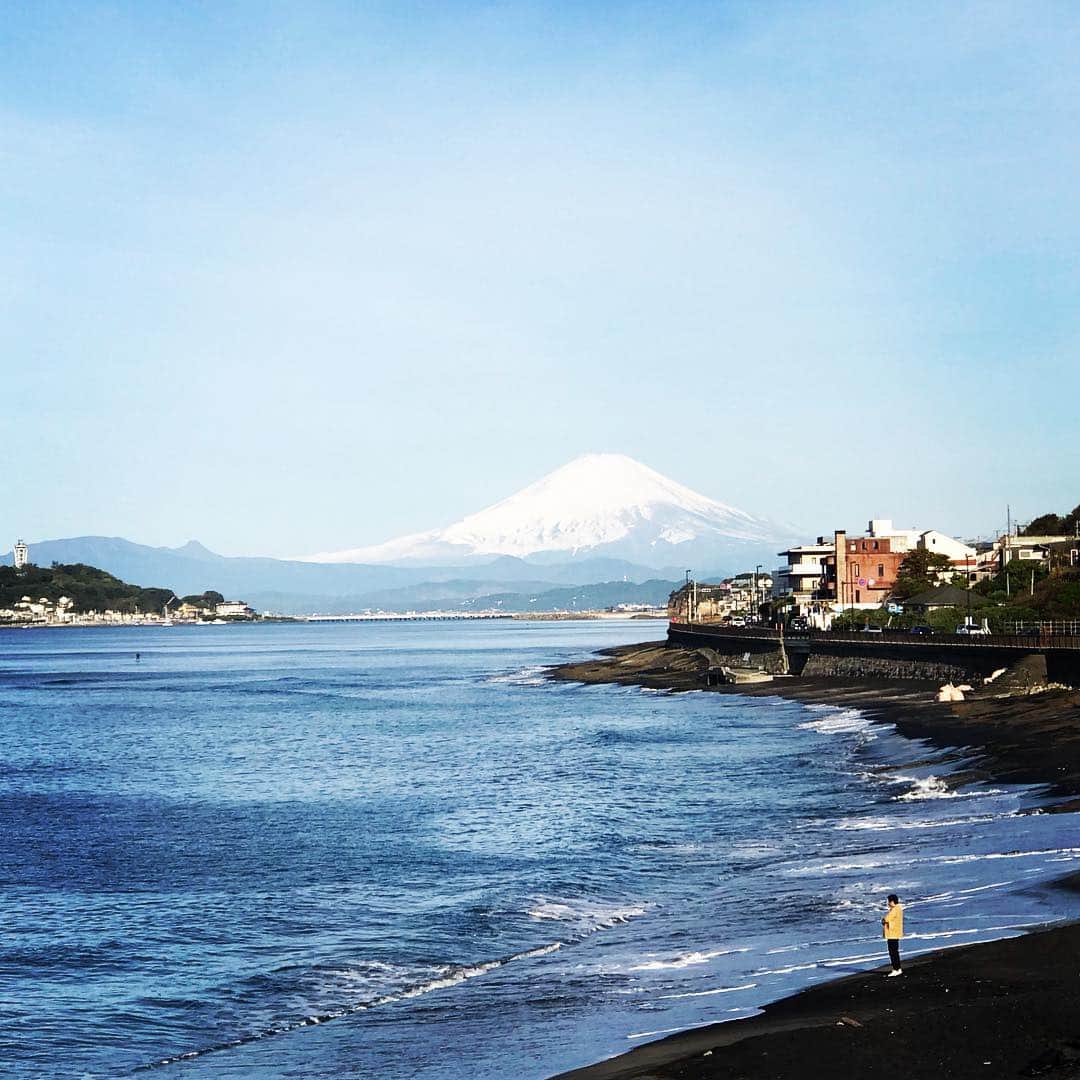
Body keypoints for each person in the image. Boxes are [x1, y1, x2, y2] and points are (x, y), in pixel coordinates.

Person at [882, 893, 903, 976]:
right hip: (895, 933)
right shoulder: (898, 908)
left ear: (892, 901)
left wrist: (883, 920)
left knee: (893, 952)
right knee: (894, 952)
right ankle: (898, 968)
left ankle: (896, 969)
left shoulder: (895, 909)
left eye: (888, 901)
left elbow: (886, 919)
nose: (887, 903)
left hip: (892, 933)